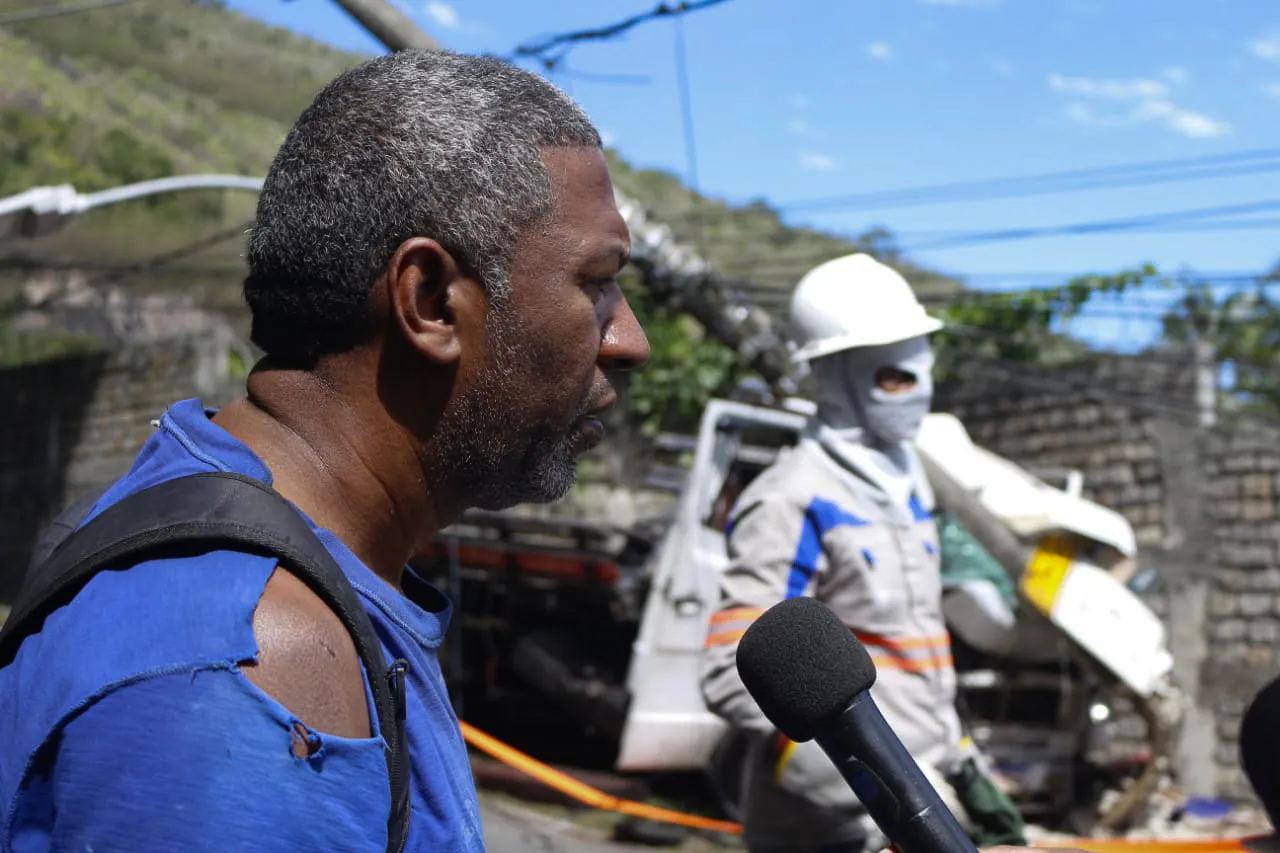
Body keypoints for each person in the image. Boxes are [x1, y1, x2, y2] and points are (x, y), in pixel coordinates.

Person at [0, 49, 648, 852]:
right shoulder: (254, 656)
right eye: (597, 283)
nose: (630, 340)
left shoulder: (248, 547)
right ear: (431, 300)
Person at [699, 253, 1024, 853]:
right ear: (839, 376)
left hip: (922, 799)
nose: (917, 395)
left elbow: (915, 645)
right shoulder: (792, 497)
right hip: (836, 826)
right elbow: (729, 670)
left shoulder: (907, 490)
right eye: (896, 377)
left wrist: (956, 754)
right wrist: (865, 770)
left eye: (923, 374)